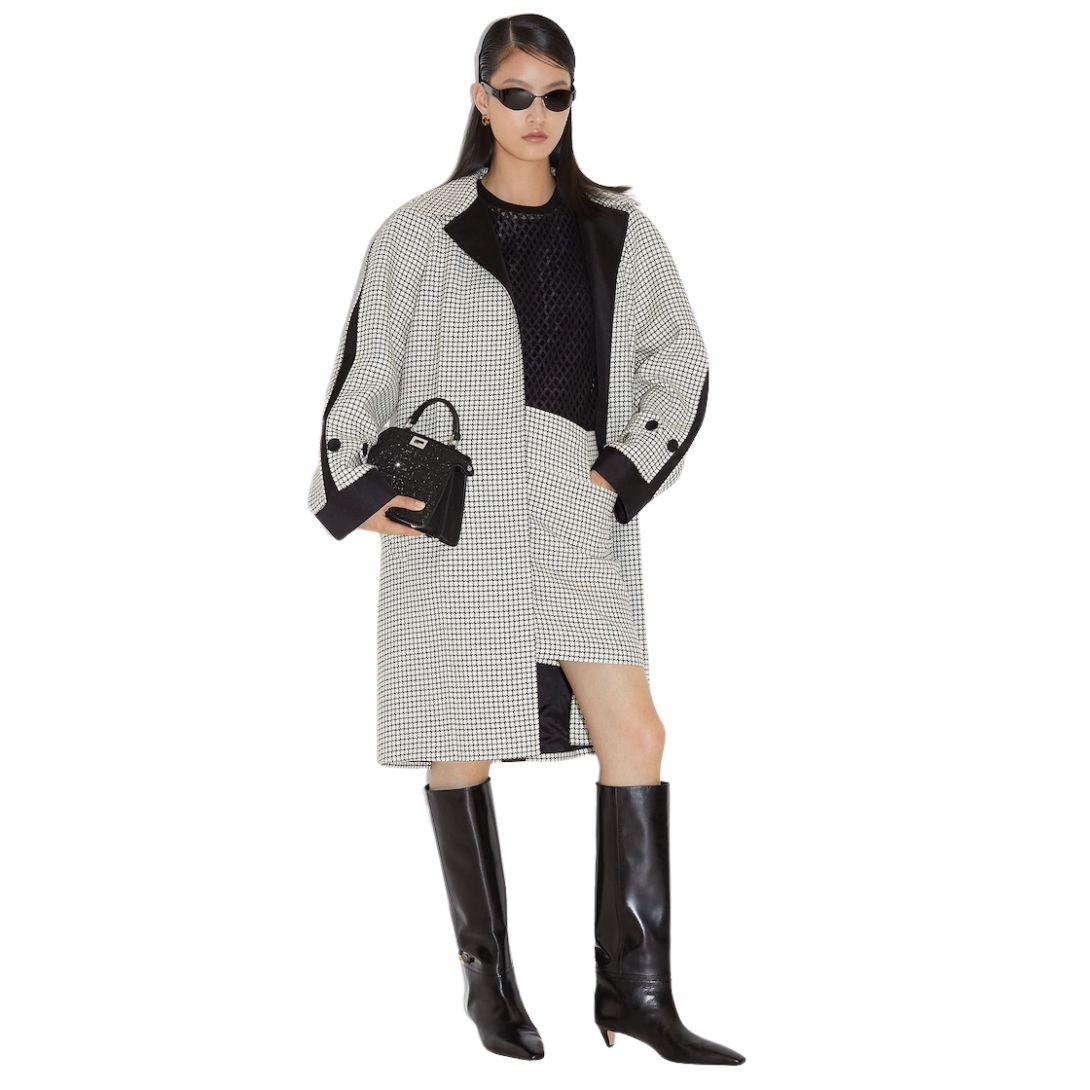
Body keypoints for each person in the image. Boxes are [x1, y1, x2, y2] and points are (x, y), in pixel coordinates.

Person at [306, 14, 744, 1066]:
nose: (536, 114)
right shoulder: (419, 231)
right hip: (459, 516)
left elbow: (678, 360)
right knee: (458, 738)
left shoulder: (619, 229)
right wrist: (355, 487)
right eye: (516, 94)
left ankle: (636, 993)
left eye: (555, 95)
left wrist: (619, 471)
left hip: (572, 505)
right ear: (480, 99)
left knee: (635, 732)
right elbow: (364, 369)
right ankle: (488, 986)